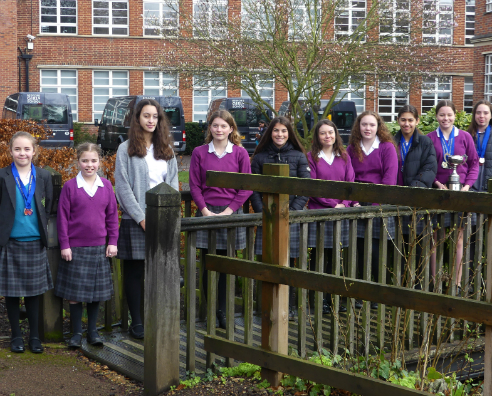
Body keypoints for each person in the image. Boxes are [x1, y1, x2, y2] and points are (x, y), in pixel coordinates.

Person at [115, 99, 179, 339]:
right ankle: (137, 321)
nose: (151, 120)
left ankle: (157, 317)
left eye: (155, 116)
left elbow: (173, 182)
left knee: (159, 271)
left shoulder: (166, 149)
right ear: (138, 119)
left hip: (162, 218)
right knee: (134, 272)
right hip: (135, 219)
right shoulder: (126, 149)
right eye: (146, 116)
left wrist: (169, 214)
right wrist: (142, 218)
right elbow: (122, 187)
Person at [189, 110, 252, 329]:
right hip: (207, 212)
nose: (219, 130)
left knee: (226, 265)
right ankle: (212, 309)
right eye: (215, 126)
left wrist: (229, 211)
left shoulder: (240, 154)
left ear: (231, 129)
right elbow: (195, 185)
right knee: (207, 264)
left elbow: (246, 186)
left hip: (231, 213)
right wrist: (205, 211)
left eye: (223, 126)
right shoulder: (199, 152)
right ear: (210, 128)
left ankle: (223, 312)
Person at [54, 143, 118, 348]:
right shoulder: (70, 187)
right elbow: (62, 219)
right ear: (78, 162)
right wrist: (65, 244)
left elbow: (112, 217)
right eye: (84, 161)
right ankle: (76, 334)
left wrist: (113, 242)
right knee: (75, 295)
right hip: (75, 248)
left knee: (95, 293)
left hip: (100, 247)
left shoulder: (106, 186)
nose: (89, 165)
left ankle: (92, 332)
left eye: (93, 161)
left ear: (100, 162)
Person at [250, 116, 310, 318]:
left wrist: (291, 211)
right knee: (266, 261)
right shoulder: (259, 158)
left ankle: (289, 306)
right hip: (267, 218)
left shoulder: (299, 156)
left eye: (284, 131)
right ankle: (265, 306)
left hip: (290, 217)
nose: (280, 134)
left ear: (289, 133)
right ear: (270, 133)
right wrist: (262, 212)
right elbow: (254, 189)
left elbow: (305, 187)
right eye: (276, 131)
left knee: (289, 263)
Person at [0, 131, 53, 354]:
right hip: (10, 243)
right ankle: (15, 336)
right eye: (17, 149)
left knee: (33, 293)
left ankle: (34, 337)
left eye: (27, 149)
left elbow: (48, 205)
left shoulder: (43, 176)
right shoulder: (2, 176)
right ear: (10, 151)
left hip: (34, 242)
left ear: (34, 151)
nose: (22, 153)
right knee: (12, 294)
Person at [347, 111, 398, 309]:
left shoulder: (387, 148)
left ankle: (379, 294)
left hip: (379, 206)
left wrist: (375, 205)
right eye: (364, 124)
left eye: (372, 125)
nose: (367, 128)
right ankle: (361, 294)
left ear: (378, 127)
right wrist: (354, 202)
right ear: (358, 127)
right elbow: (349, 177)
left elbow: (389, 179)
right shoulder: (352, 149)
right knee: (359, 252)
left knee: (377, 253)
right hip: (358, 205)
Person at [428, 100, 479, 294]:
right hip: (439, 194)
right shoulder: (430, 138)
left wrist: (467, 186)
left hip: (461, 194)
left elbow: (474, 163)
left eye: (449, 115)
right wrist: (437, 183)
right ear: (436, 117)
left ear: (455, 116)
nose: (445, 118)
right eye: (442, 115)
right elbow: (427, 165)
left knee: (459, 239)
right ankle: (435, 282)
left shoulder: (465, 136)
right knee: (436, 238)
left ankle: (456, 283)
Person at [307, 119, 354, 314]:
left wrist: (346, 203)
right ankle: (316, 299)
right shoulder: (311, 157)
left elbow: (350, 182)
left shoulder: (343, 156)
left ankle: (331, 299)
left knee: (336, 258)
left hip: (340, 214)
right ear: (317, 137)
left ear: (336, 134)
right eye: (323, 133)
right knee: (319, 258)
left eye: (331, 132)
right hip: (320, 214)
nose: (328, 136)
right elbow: (312, 186)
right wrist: (333, 204)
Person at [393, 105, 437, 287]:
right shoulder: (390, 141)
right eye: (403, 119)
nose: (407, 123)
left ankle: (417, 284)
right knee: (397, 244)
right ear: (398, 121)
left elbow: (429, 169)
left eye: (410, 120)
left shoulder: (425, 142)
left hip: (416, 200)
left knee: (417, 243)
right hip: (395, 200)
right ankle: (398, 283)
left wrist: (413, 190)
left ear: (417, 121)